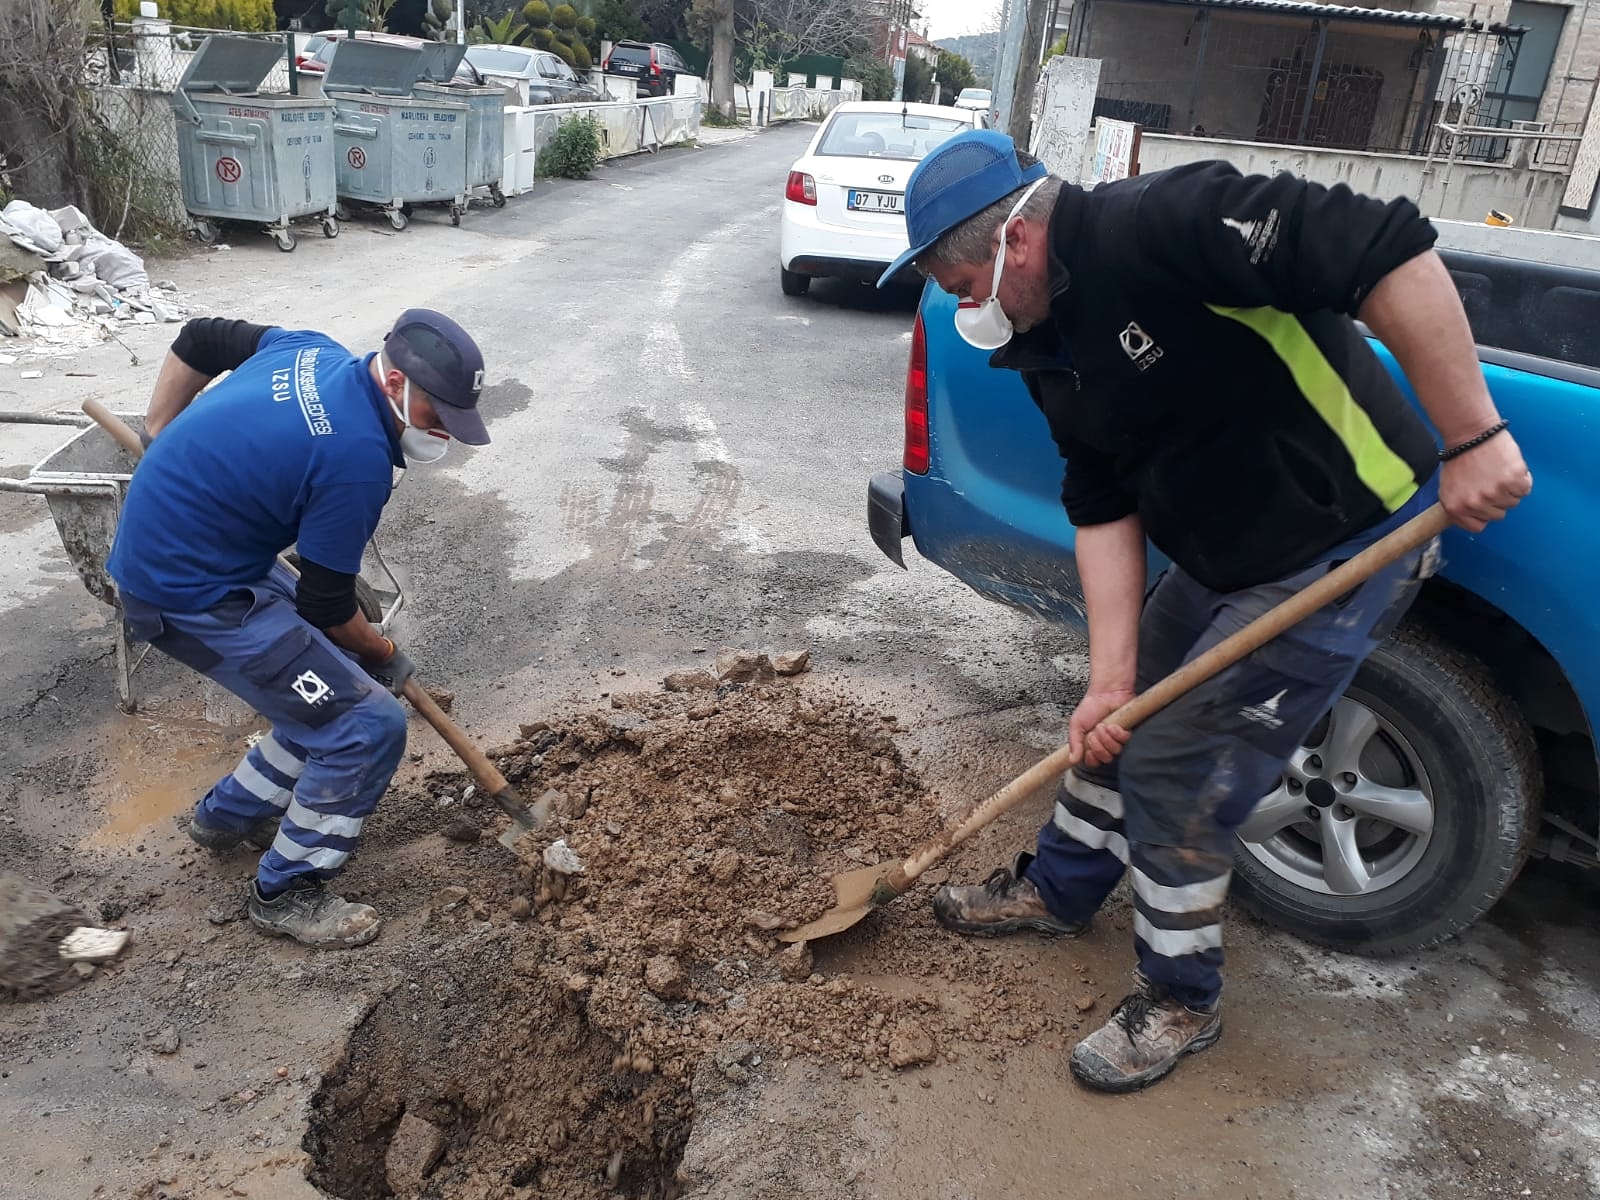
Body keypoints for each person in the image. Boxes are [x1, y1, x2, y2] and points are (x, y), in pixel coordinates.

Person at [877, 130, 1531, 1093]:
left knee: (1177, 766)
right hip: (1223, 557)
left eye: (966, 287)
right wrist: (1108, 681)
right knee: (1114, 725)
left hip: (1341, 544)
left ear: (1015, 240)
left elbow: (1387, 245)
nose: (970, 310)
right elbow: (1100, 502)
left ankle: (1181, 997)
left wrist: (1473, 434)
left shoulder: (1164, 224)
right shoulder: (1045, 339)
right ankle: (1058, 892)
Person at [105, 309, 490, 949]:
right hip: (187, 592)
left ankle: (228, 817)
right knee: (367, 724)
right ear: (396, 382)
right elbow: (327, 603)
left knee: (333, 685)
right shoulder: (356, 459)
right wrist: (383, 651)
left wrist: (158, 429)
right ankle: (286, 891)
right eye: (438, 413)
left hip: (214, 558)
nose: (444, 431)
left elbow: (199, 338)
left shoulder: (310, 351)